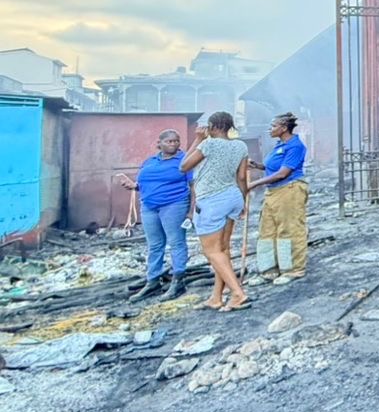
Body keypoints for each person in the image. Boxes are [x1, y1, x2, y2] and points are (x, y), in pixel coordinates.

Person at [180, 111, 251, 311]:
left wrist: (197, 140)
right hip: (233, 197)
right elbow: (242, 178)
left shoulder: (208, 144)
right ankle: (216, 297)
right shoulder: (241, 145)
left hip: (212, 200)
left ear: (213, 126)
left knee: (212, 251)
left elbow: (184, 166)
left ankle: (237, 294)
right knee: (223, 250)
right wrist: (243, 202)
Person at [119, 129, 196, 301]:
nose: (174, 144)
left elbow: (193, 186)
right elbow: (144, 183)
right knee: (154, 245)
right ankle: (153, 281)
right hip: (149, 206)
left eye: (176, 141)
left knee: (176, 242)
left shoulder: (184, 160)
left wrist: (191, 212)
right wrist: (133, 185)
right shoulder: (150, 161)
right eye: (169, 141)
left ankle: (178, 282)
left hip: (174, 205)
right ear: (159, 143)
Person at [247, 112, 309, 281]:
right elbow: (273, 168)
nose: (270, 129)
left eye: (273, 126)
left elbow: (283, 173)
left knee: (289, 230)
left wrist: (253, 184)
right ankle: (269, 270)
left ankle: (293, 269)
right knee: (267, 231)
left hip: (289, 190)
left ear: (283, 128)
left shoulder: (295, 146)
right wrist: (257, 166)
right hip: (273, 192)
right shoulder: (279, 145)